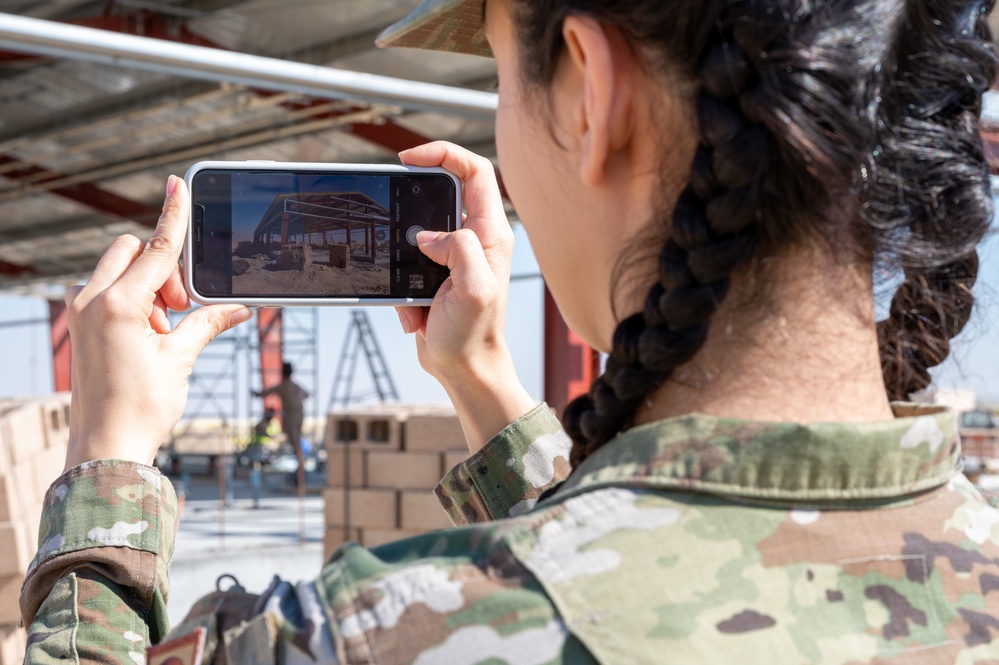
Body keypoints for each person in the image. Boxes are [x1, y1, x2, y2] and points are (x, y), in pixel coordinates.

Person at [18, 0, 999, 662]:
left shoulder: (383, 629)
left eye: (499, 75)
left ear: (586, 88)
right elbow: (617, 560)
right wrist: (482, 376)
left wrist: (108, 469)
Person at [253, 361, 309, 486]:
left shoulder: (285, 386)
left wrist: (256, 394)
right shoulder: (295, 386)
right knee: (297, 441)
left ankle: (300, 470)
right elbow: (306, 394)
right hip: (300, 415)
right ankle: (301, 467)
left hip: (291, 416)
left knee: (295, 442)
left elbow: (266, 393)